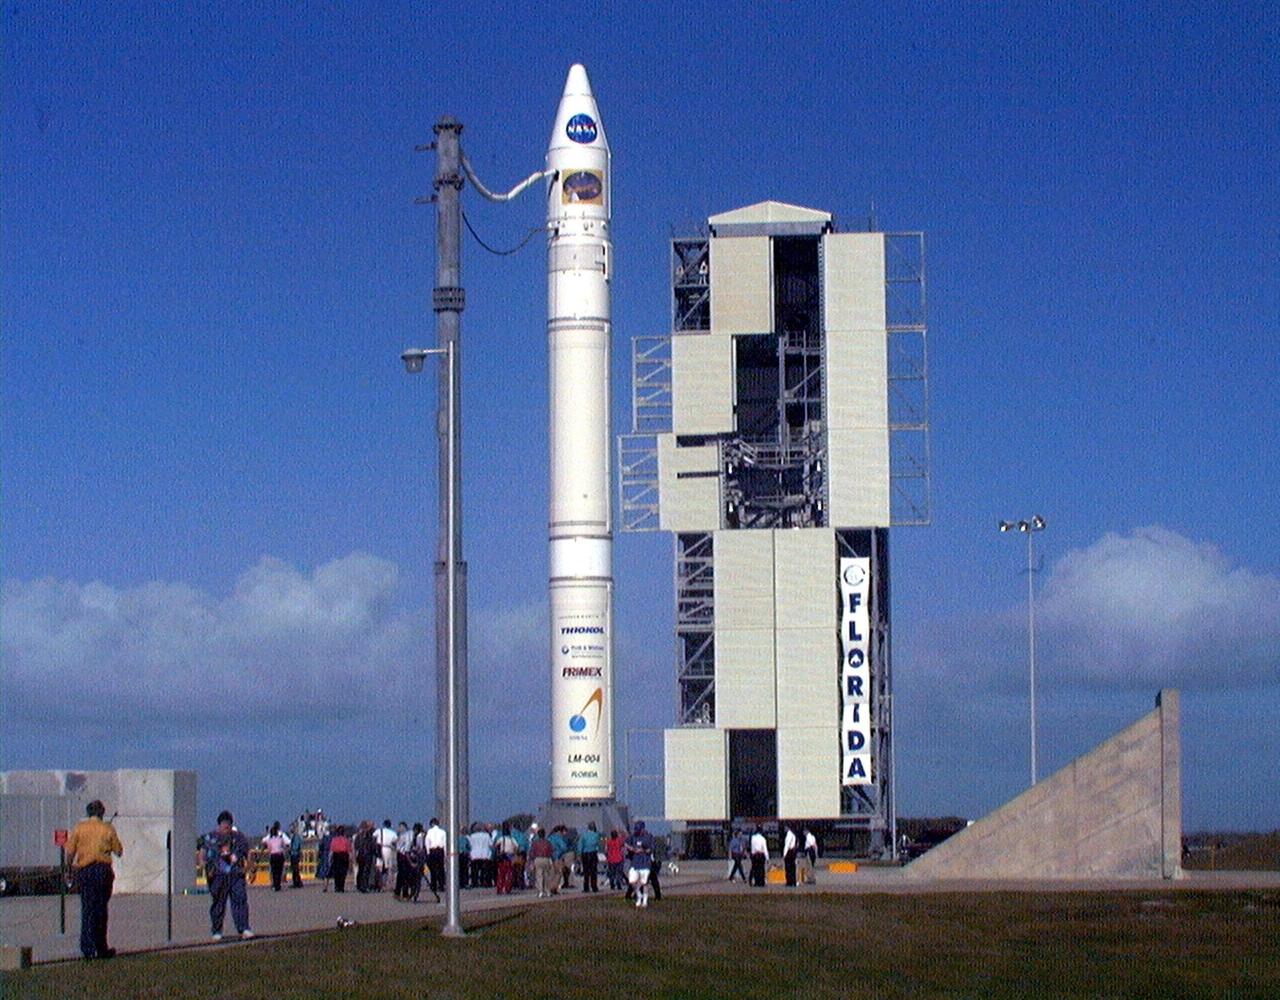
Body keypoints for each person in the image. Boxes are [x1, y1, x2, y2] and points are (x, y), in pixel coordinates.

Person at [65, 799, 123, 960]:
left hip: (85, 871)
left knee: (87, 909)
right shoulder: (108, 828)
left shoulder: (79, 828)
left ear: (88, 813)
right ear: (102, 813)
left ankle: (87, 949)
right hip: (102, 871)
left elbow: (70, 852)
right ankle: (101, 947)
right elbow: (119, 851)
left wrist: (68, 869)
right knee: (101, 910)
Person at [200, 810, 253, 939]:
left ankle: (244, 928)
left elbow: (248, 852)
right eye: (224, 824)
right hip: (217, 876)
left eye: (228, 824)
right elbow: (202, 852)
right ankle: (217, 931)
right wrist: (203, 865)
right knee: (218, 903)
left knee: (240, 900)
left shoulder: (239, 837)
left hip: (236, 875)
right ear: (219, 825)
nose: (226, 827)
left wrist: (250, 868)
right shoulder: (210, 837)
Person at [625, 821, 655, 908]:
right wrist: (632, 849)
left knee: (644, 882)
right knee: (632, 881)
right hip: (635, 862)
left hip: (645, 862)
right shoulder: (633, 836)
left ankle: (644, 899)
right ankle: (639, 895)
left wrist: (642, 850)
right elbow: (626, 843)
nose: (637, 831)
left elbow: (651, 849)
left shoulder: (648, 837)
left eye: (638, 829)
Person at [529, 827, 555, 897]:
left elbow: (532, 852)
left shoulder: (535, 843)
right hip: (546, 859)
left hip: (537, 859)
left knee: (539, 875)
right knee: (546, 875)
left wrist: (531, 861)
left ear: (538, 835)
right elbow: (551, 851)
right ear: (544, 834)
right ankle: (548, 891)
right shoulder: (548, 842)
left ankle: (540, 891)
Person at [425, 818, 448, 895]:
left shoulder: (429, 832)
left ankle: (433, 885)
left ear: (432, 824)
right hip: (440, 850)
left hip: (432, 851)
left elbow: (427, 842)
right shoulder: (443, 832)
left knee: (433, 869)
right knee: (441, 868)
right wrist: (445, 854)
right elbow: (445, 843)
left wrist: (428, 852)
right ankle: (441, 885)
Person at [263, 822, 288, 891]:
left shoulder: (269, 840)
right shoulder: (280, 838)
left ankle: (275, 885)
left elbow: (269, 849)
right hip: (280, 855)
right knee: (279, 871)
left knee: (274, 871)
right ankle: (278, 885)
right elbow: (284, 845)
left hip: (273, 856)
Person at [494, 822, 518, 894]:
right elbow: (517, 846)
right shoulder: (512, 839)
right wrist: (514, 852)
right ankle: (507, 889)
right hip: (510, 857)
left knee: (501, 874)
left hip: (503, 857)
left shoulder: (501, 838)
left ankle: (500, 888)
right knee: (509, 874)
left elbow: (495, 845)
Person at [578, 822, 602, 893]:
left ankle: (586, 888)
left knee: (586, 872)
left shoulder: (583, 835)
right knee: (593, 871)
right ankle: (594, 887)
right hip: (593, 853)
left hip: (585, 854)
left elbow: (580, 845)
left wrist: (579, 853)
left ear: (588, 827)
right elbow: (599, 844)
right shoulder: (596, 835)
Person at [354, 821, 378, 893]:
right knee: (366, 871)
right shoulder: (370, 836)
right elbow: (373, 846)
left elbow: (356, 846)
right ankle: (364, 886)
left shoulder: (358, 836)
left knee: (361, 871)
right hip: (367, 855)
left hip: (361, 855)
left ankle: (360, 885)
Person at [394, 822, 415, 900]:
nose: (399, 829)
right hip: (402, 855)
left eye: (400, 827)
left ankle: (399, 892)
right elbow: (405, 849)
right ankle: (402, 893)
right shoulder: (403, 835)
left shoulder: (407, 835)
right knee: (403, 875)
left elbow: (406, 848)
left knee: (402, 875)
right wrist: (411, 862)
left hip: (402, 855)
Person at [328, 826, 352, 892]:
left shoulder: (334, 840)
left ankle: (337, 887)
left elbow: (331, 850)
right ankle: (341, 887)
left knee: (336, 873)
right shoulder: (346, 840)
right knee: (343, 873)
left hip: (336, 856)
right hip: (344, 856)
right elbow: (349, 851)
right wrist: (351, 860)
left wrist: (329, 859)